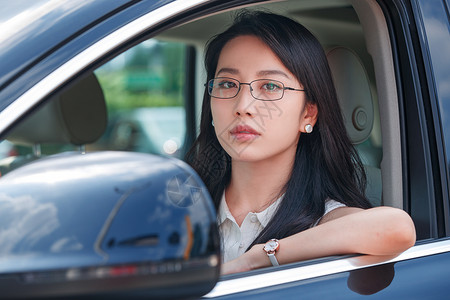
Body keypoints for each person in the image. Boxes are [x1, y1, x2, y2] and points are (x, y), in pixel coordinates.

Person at [186, 10, 416, 275]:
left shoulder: (323, 220)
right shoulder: (181, 204)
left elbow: (396, 228)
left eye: (270, 86)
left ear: (308, 113)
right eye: (227, 84)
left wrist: (258, 258)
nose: (243, 106)